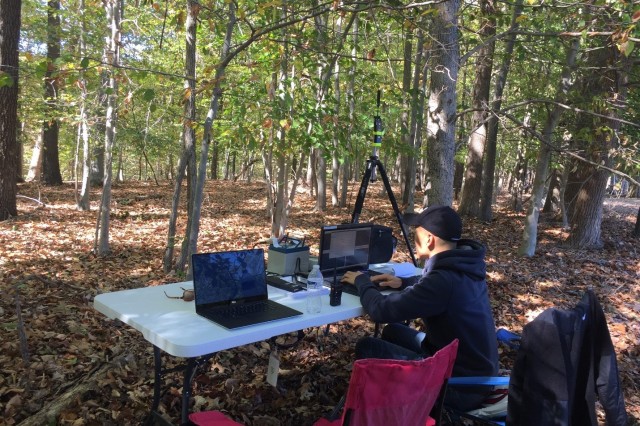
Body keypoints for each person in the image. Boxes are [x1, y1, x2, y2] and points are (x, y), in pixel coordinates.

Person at [341, 205, 499, 412]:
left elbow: (381, 311)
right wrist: (404, 282)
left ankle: (379, 410)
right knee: (392, 331)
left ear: (429, 239)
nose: (412, 235)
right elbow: (435, 285)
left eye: (416, 230)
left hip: (460, 387)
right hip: (475, 373)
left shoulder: (442, 281)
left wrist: (362, 281)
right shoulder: (464, 265)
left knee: (368, 346)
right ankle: (395, 394)